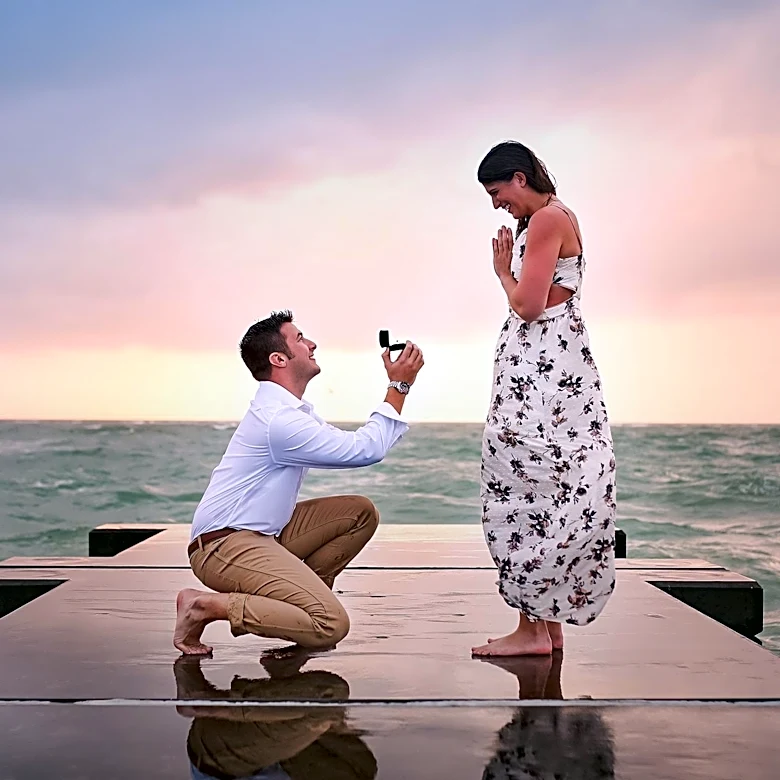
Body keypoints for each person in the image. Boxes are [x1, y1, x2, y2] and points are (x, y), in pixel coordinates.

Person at [173, 310, 424, 655]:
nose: (311, 344)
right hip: (222, 547)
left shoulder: (292, 413)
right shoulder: (279, 422)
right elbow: (365, 450)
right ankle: (204, 606)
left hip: (261, 537)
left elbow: (358, 445)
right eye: (300, 339)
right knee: (331, 625)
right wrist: (399, 386)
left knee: (358, 513)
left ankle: (293, 614)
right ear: (279, 358)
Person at [472, 141, 616, 657]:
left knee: (525, 478)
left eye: (496, 192)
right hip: (554, 363)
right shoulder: (555, 217)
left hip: (543, 368)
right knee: (542, 479)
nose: (495, 204)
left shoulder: (549, 221)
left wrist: (502, 272)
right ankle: (544, 626)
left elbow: (529, 305)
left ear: (518, 177)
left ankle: (533, 629)